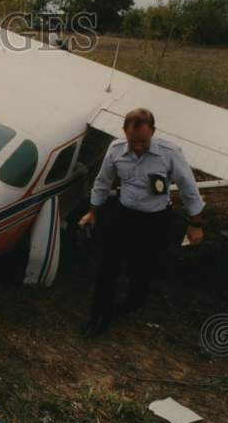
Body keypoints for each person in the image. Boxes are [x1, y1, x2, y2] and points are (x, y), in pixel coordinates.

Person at [78, 107, 205, 337]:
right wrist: (93, 211)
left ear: (153, 132)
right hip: (124, 215)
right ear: (124, 133)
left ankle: (133, 302)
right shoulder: (116, 150)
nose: (137, 147)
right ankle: (99, 316)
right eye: (132, 141)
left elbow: (189, 189)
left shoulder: (170, 153)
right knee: (108, 268)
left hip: (154, 220)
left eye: (143, 141)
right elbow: (102, 182)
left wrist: (195, 224)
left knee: (141, 269)